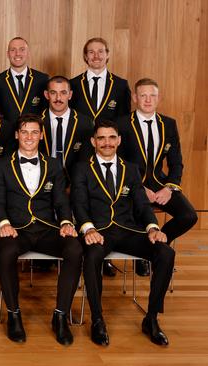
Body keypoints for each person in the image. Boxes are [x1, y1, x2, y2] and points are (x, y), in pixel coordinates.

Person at [71, 119, 175, 346]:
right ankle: (98, 319)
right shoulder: (81, 169)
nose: (106, 143)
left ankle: (152, 318)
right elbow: (78, 203)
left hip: (127, 230)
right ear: (93, 141)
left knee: (165, 253)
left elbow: (142, 204)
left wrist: (153, 228)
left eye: (111, 138)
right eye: (101, 138)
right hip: (97, 231)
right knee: (92, 256)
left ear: (118, 141)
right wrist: (87, 228)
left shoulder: (131, 169)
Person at [0, 114, 82, 345]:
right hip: (16, 228)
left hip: (46, 228)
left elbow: (61, 201)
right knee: (5, 252)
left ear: (41, 135)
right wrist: (3, 224)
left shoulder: (53, 165)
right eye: (24, 132)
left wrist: (66, 223)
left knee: (74, 249)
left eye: (34, 132)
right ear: (16, 135)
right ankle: (14, 314)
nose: (29, 137)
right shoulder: (1, 165)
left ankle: (60, 315)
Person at [118, 78, 197, 276]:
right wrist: (139, 188)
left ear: (158, 98)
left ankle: (156, 244)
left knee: (189, 215)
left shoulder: (168, 124)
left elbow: (176, 162)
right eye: (143, 95)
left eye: (152, 95)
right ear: (135, 98)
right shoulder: (122, 123)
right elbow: (118, 162)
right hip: (132, 185)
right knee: (137, 214)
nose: (147, 100)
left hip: (160, 184)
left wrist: (169, 188)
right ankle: (143, 254)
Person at [39, 76, 94, 183]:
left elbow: (88, 159)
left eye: (63, 93)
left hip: (75, 182)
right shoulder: (36, 121)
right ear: (46, 95)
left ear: (70, 95)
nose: (58, 98)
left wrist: (76, 184)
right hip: (42, 181)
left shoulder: (85, 122)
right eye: (53, 93)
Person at [0, 37, 49, 127]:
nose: (17, 54)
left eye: (22, 49)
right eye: (13, 50)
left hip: (34, 137)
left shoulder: (42, 79)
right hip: (6, 137)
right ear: (8, 54)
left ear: (28, 53)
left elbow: (47, 111)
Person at [70, 37, 130, 122]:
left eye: (100, 51)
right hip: (80, 135)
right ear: (86, 56)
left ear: (107, 54)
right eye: (91, 52)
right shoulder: (73, 84)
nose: (96, 56)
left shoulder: (121, 85)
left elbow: (124, 120)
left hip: (109, 135)